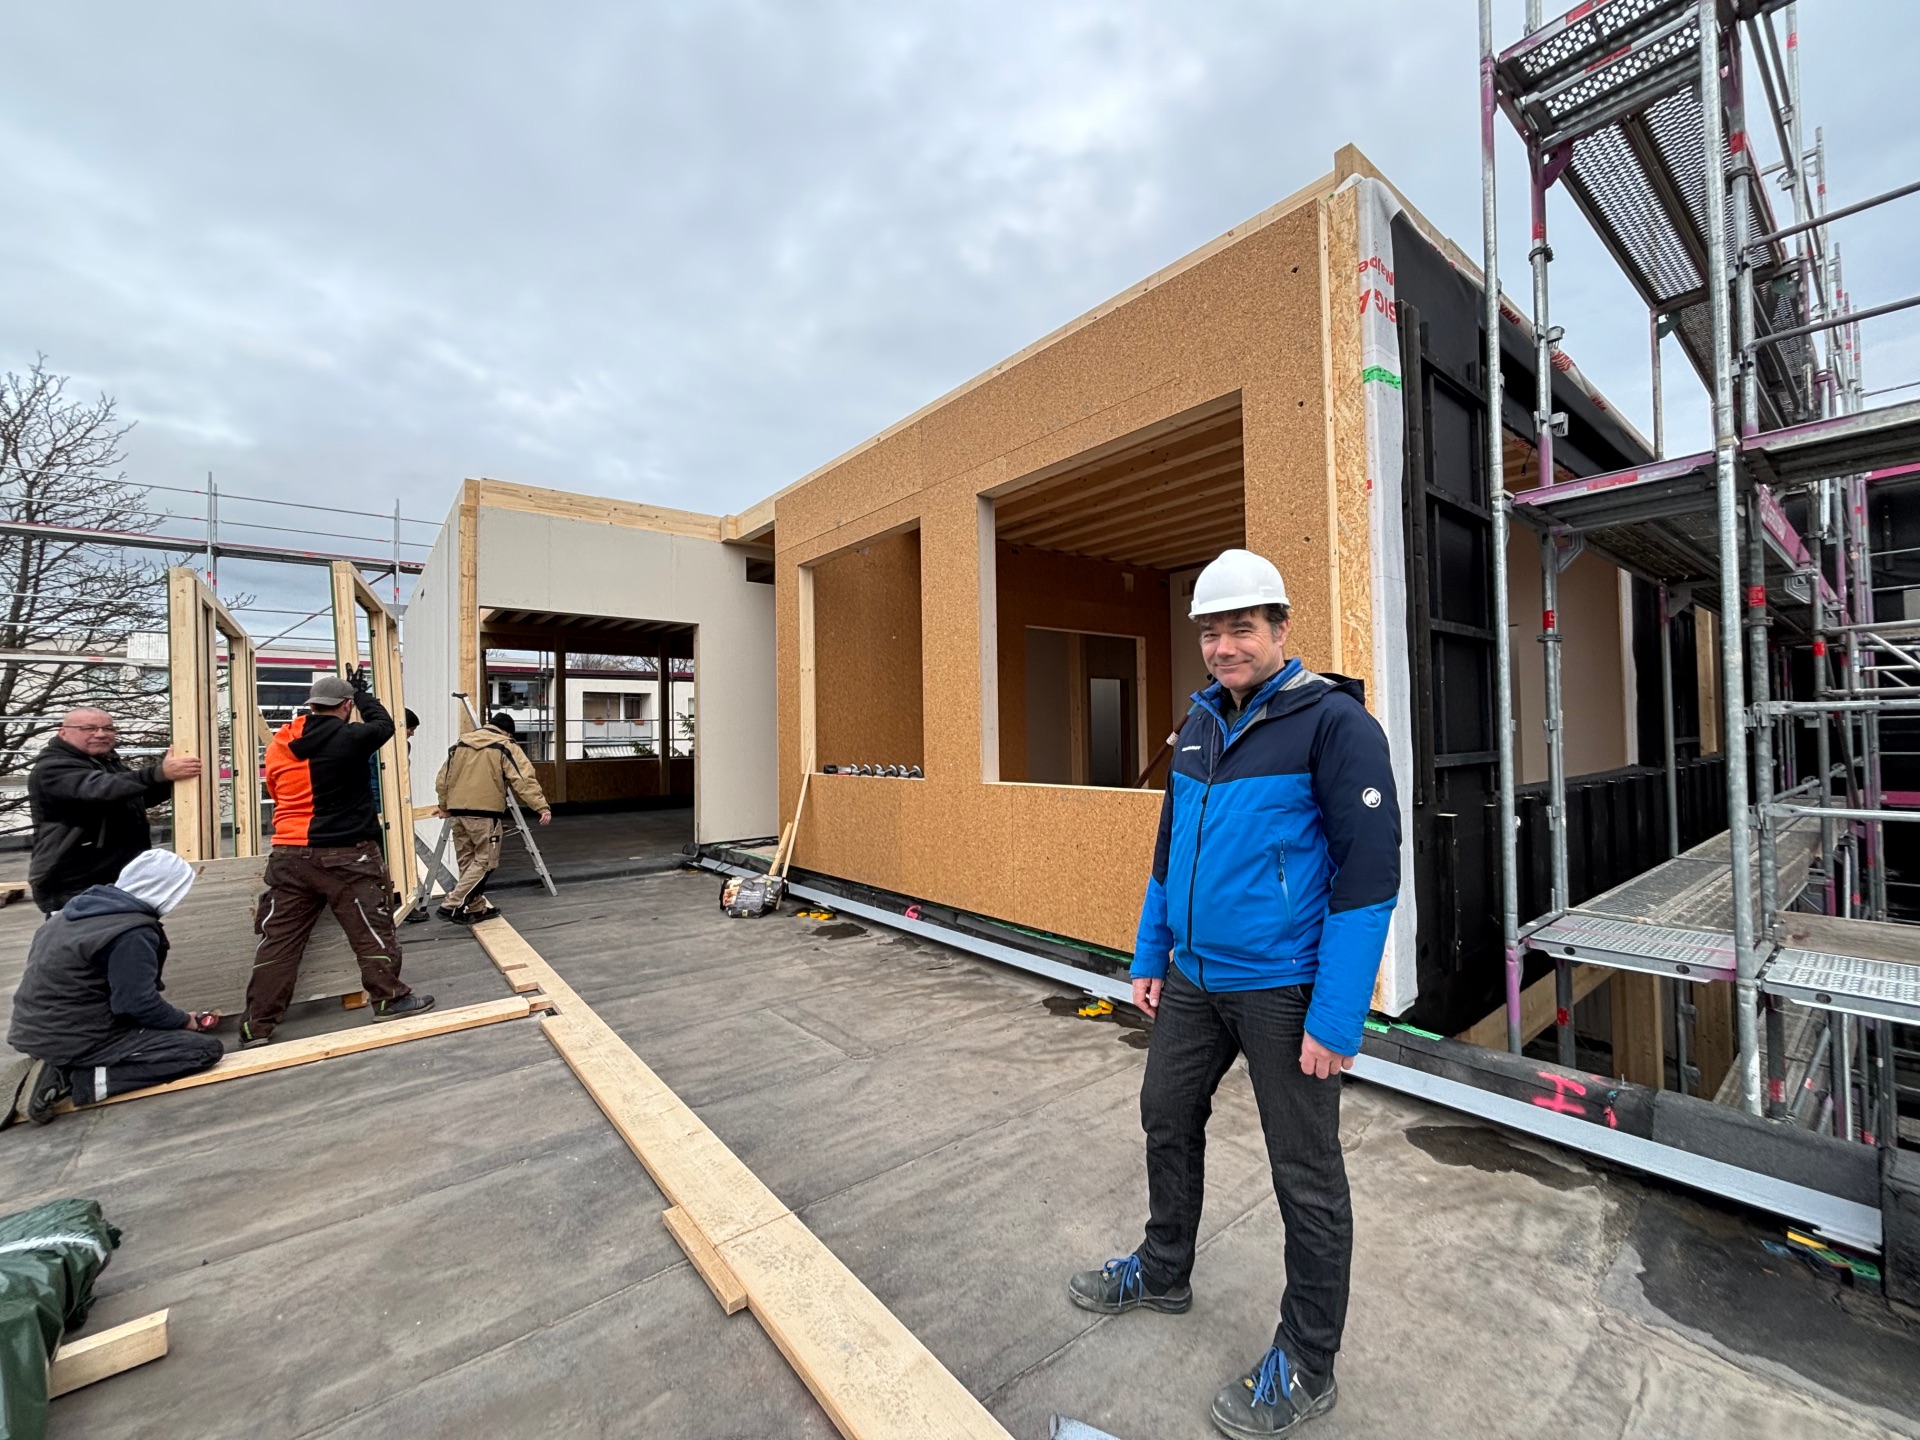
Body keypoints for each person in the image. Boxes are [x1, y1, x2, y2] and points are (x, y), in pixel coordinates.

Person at [1067, 549, 1400, 1440]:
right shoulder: (1199, 726)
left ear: (1281, 629)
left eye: (1240, 628)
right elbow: (1169, 852)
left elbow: (1369, 881)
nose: (1222, 646)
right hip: (1192, 978)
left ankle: (1307, 1361)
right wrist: (1150, 953)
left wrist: (1336, 1016)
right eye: (1210, 631)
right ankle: (1164, 1267)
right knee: (1164, 1113)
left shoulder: (1333, 725)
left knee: (1306, 1175)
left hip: (1283, 989)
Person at [243, 670, 432, 1047]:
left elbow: (276, 789)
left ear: (311, 705)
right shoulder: (350, 737)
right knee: (371, 930)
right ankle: (390, 999)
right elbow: (383, 723)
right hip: (346, 854)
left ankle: (256, 1025)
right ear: (345, 707)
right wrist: (363, 693)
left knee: (279, 943)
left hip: (288, 855)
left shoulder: (281, 741)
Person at [7, 849, 224, 1124]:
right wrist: (184, 1021)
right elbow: (136, 1004)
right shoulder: (132, 932)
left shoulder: (70, 914)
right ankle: (77, 1079)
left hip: (35, 1030)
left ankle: (54, 1062)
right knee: (202, 1050)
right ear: (167, 890)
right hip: (78, 1037)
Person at [26, 708, 204, 914]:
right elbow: (100, 789)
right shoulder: (53, 768)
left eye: (108, 728)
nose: (101, 734)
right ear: (63, 732)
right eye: (89, 728)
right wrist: (159, 773)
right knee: (83, 939)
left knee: (117, 935)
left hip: (112, 873)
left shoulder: (106, 762)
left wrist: (172, 781)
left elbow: (134, 797)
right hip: (73, 879)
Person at [433, 711, 550, 924]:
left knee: (468, 863)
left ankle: (476, 908)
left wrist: (444, 806)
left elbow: (443, 780)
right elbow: (524, 779)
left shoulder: (459, 746)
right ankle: (451, 905)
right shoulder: (505, 746)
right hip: (484, 815)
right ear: (507, 732)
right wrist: (540, 806)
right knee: (486, 862)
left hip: (458, 814)